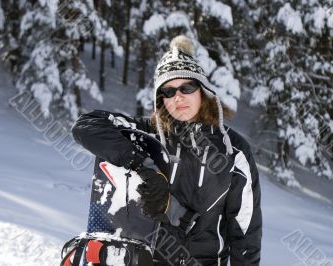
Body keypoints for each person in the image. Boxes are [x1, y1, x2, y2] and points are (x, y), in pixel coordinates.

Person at [70, 35, 262, 266]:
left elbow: (245, 228)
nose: (178, 96)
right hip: (145, 258)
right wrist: (143, 166)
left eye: (186, 87)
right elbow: (86, 125)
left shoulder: (233, 149)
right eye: (168, 91)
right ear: (161, 99)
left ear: (203, 90)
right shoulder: (145, 133)